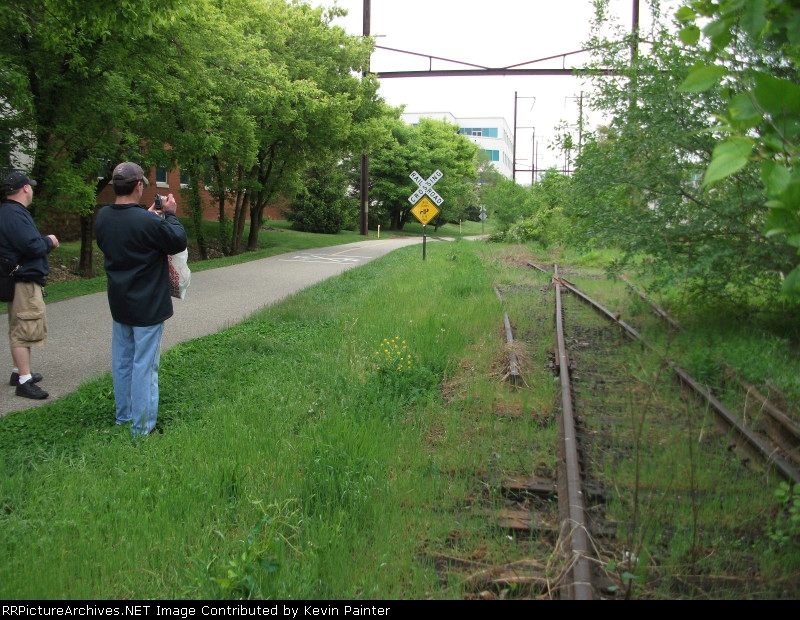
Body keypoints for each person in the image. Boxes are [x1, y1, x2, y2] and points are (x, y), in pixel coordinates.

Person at [95, 162, 187, 437]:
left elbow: (127, 232)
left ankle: (123, 417)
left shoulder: (103, 217)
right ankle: (142, 428)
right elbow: (177, 241)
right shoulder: (148, 222)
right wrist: (170, 214)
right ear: (138, 186)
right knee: (145, 366)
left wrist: (149, 217)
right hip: (147, 306)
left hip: (120, 303)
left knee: (123, 362)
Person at [0, 171, 59, 400]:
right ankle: (24, 381)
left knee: (21, 325)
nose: (32, 189)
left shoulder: (11, 212)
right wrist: (49, 241)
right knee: (23, 328)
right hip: (23, 281)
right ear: (25, 188)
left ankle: (19, 372)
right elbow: (32, 246)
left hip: (19, 279)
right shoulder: (14, 214)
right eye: (31, 186)